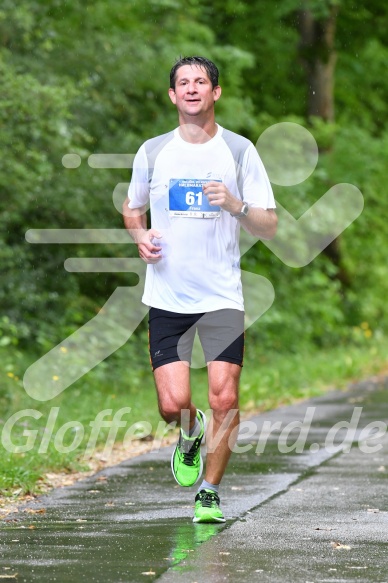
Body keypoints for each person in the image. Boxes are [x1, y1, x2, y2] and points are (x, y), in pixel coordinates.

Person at [123, 56, 277, 523]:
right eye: (183, 83)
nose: (192, 89)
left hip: (221, 297)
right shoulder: (152, 152)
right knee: (172, 405)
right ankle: (190, 432)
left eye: (201, 82)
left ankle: (209, 491)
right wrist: (140, 235)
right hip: (168, 296)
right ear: (173, 96)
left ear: (215, 93)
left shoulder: (238, 151)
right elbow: (133, 209)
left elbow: (268, 225)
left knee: (224, 398)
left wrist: (235, 204)